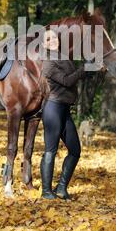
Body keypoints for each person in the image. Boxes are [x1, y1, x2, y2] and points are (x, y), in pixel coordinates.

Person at [40, 29, 86, 200]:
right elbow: (67, 81)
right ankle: (46, 191)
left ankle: (61, 188)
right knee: (50, 151)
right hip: (53, 108)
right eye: (49, 39)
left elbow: (77, 75)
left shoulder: (64, 57)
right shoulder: (48, 63)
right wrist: (84, 68)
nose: (53, 40)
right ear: (44, 44)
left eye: (54, 37)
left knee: (75, 150)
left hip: (64, 109)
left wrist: (95, 69)